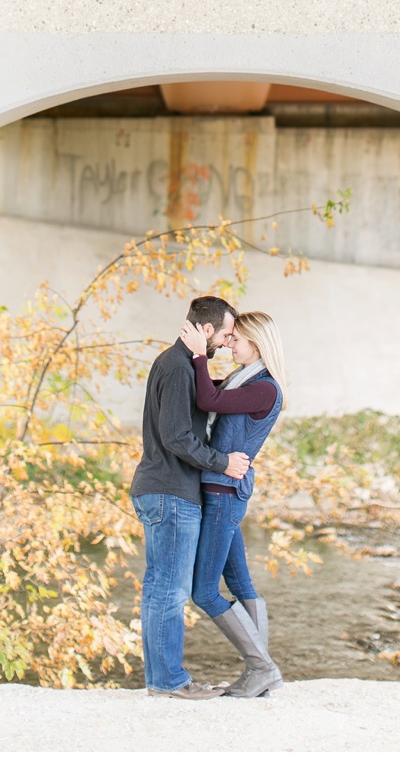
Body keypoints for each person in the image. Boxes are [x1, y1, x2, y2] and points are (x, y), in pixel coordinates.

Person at [130, 294, 250, 699]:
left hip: (160, 490)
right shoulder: (179, 367)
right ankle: (168, 682)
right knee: (170, 590)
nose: (227, 342)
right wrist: (223, 463)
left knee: (158, 587)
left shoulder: (178, 364)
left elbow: (207, 400)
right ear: (207, 330)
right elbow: (178, 437)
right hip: (171, 492)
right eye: (227, 334)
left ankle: (159, 680)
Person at [180, 309, 286, 699]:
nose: (230, 345)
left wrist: (198, 354)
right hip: (221, 492)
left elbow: (208, 397)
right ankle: (259, 670)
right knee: (240, 583)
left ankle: (262, 668)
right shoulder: (245, 380)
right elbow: (205, 394)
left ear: (257, 343)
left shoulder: (264, 388)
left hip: (224, 495)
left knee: (205, 591)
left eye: (236, 340)